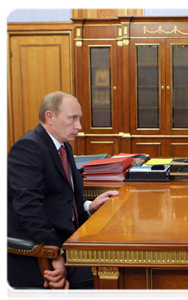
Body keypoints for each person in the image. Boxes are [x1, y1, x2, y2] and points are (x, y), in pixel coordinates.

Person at [5, 91, 120, 300]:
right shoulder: (28, 148)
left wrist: (88, 207)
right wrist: (55, 253)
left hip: (65, 240)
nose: (79, 126)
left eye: (80, 119)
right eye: (73, 118)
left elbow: (59, 196)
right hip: (37, 249)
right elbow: (29, 209)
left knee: (116, 265)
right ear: (50, 117)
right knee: (106, 280)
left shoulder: (63, 146)